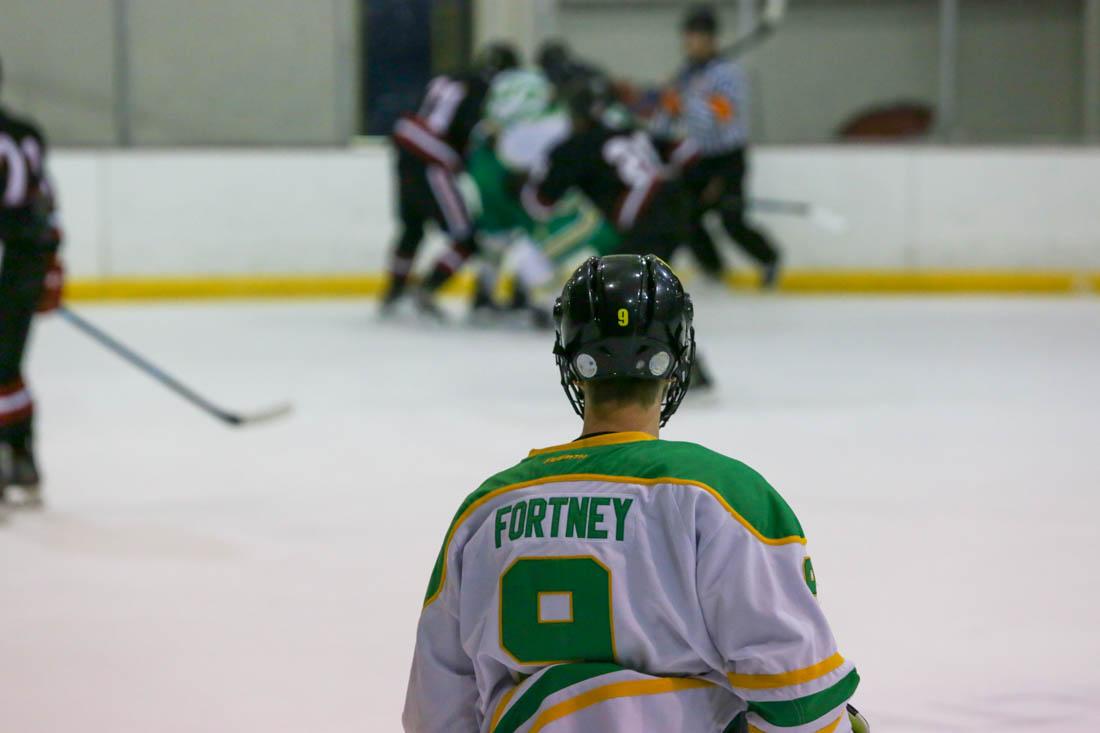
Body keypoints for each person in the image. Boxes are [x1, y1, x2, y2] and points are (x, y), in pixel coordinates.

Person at [403, 254, 867, 732]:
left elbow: (434, 713)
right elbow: (799, 701)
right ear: (678, 358)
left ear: (572, 362)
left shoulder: (484, 511)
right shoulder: (722, 496)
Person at [381, 42, 519, 317]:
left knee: (412, 228)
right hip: (433, 158)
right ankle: (426, 290)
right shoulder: (484, 90)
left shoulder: (452, 77)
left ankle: (394, 294)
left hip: (407, 150)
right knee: (466, 237)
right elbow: (468, 133)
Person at [653, 4, 782, 287]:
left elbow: (720, 118)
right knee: (684, 215)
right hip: (700, 158)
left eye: (694, 37)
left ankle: (769, 258)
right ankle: (714, 269)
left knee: (730, 219)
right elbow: (667, 120)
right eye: (686, 37)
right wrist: (665, 110)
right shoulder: (687, 73)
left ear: (711, 39)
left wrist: (685, 101)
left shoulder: (728, 74)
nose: (688, 43)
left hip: (728, 158)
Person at [0, 56, 64, 504]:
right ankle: (22, 458)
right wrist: (51, 265)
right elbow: (45, 204)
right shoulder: (26, 132)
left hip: (10, 259)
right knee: (7, 367)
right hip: (27, 261)